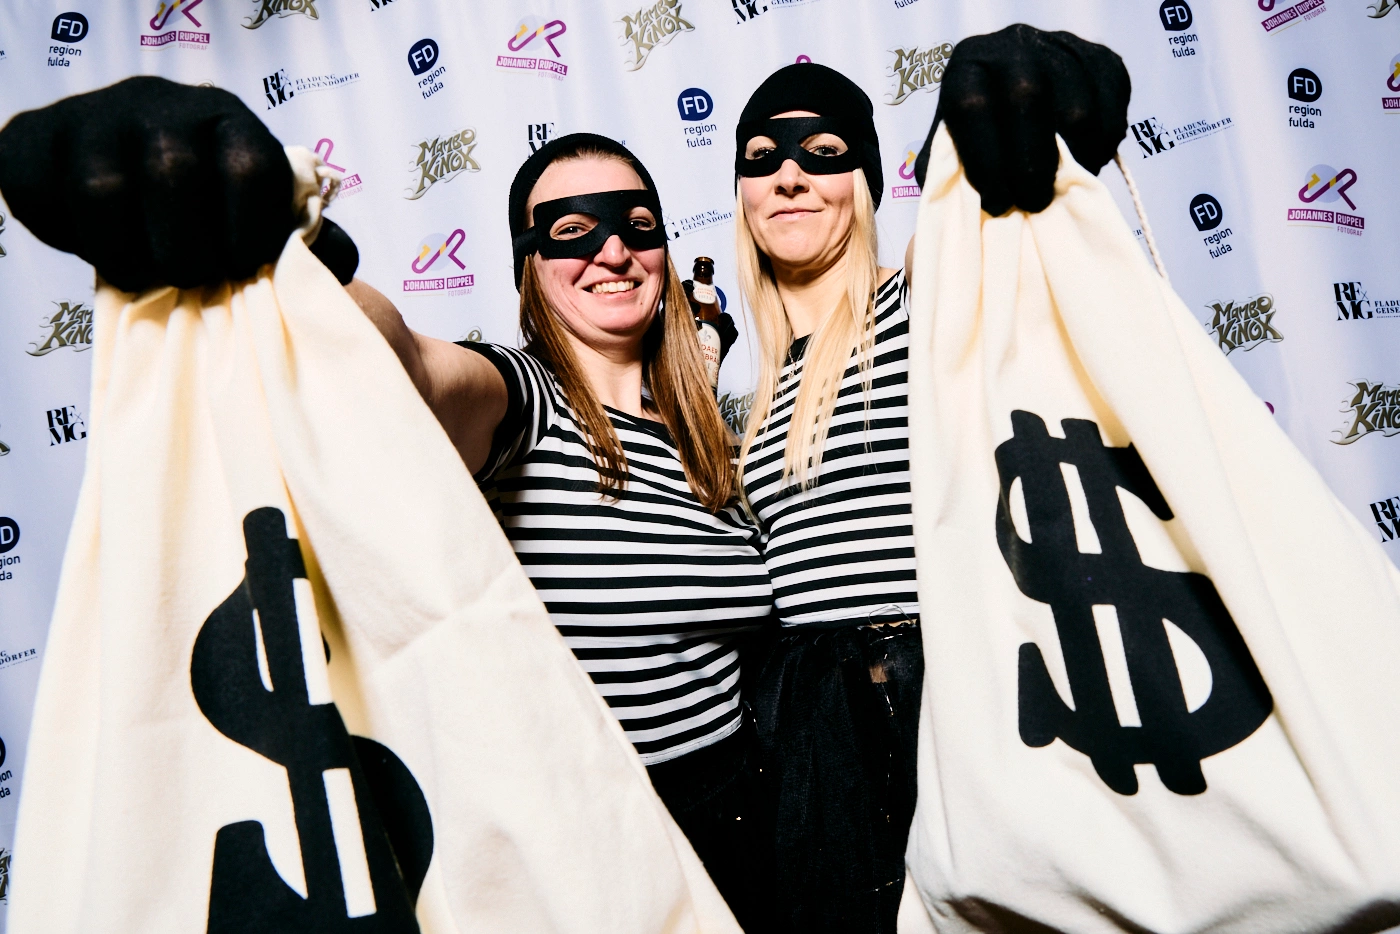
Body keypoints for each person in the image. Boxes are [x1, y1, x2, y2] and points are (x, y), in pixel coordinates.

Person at [0, 23, 1129, 930]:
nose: (609, 249)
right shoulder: (523, 396)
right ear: (528, 267)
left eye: (633, 223)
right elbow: (410, 368)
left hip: (784, 811)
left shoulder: (717, 427)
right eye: (567, 231)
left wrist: (1006, 170)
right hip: (611, 832)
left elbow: (956, 292)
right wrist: (281, 268)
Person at [730, 28, 1129, 933]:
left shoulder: (919, 298)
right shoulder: (743, 397)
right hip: (813, 737)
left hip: (945, 693)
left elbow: (980, 225)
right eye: (762, 158)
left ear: (866, 181)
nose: (789, 176)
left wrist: (1016, 86)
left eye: (821, 153)